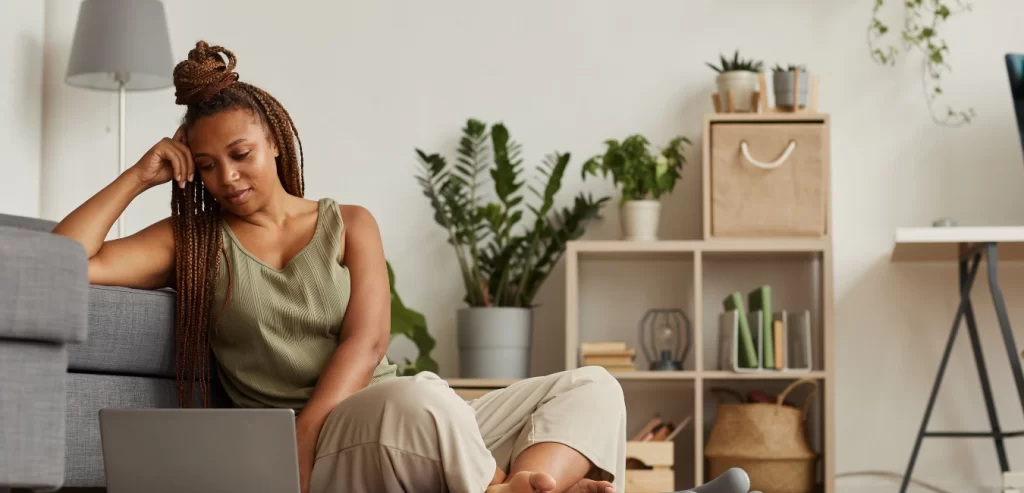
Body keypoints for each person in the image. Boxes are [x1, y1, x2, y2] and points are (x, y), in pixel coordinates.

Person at [52, 41, 628, 493]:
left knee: (591, 385)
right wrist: (137, 177)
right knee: (421, 401)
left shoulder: (350, 222)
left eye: (240, 154)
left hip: (389, 422)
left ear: (275, 141)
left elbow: (369, 339)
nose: (226, 177)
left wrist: (307, 431)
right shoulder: (193, 243)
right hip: (344, 444)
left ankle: (524, 487)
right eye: (205, 166)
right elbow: (60, 262)